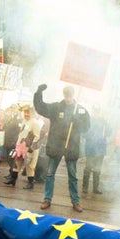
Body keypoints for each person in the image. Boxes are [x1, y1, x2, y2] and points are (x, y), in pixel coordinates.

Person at [34, 84, 90, 212]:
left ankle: (76, 202)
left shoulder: (80, 110)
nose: (68, 98)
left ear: (73, 95)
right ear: (64, 95)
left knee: (73, 176)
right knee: (49, 174)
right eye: (66, 95)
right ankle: (47, 199)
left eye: (70, 95)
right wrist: (38, 93)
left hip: (71, 147)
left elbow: (87, 128)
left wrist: (78, 122)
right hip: (56, 146)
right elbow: (41, 107)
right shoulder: (56, 107)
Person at [4, 104, 41, 189]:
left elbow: (37, 136)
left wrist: (32, 147)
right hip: (21, 146)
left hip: (30, 147)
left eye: (28, 113)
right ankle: (13, 179)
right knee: (17, 162)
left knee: (30, 165)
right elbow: (21, 134)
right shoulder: (24, 121)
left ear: (32, 113)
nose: (26, 114)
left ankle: (30, 183)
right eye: (25, 112)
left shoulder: (34, 123)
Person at [82, 107, 109, 194]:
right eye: (95, 111)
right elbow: (83, 133)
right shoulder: (88, 120)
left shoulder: (103, 121)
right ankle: (85, 187)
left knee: (97, 169)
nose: (96, 112)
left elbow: (109, 132)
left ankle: (95, 188)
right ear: (93, 111)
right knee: (88, 168)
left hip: (100, 148)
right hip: (91, 148)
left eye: (97, 111)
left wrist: (107, 127)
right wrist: (90, 135)